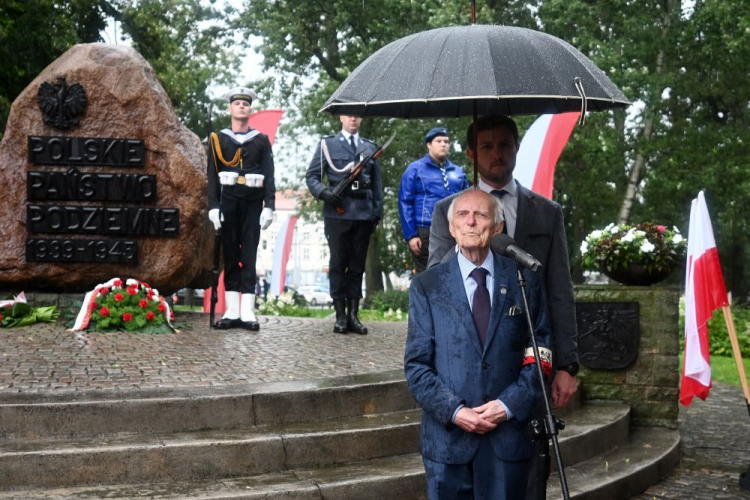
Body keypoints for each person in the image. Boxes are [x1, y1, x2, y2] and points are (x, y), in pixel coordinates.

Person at [427, 115, 579, 499]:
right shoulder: (449, 211)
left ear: (515, 147)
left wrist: (567, 364)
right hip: (463, 370)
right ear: (472, 153)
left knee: (528, 480)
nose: (498, 154)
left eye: (505, 145)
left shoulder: (546, 211)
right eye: (488, 146)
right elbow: (436, 290)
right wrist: (471, 240)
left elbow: (560, 289)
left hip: (527, 368)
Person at [405, 189, 552, 499]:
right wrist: (456, 411)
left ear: (497, 227)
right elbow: (417, 366)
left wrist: (507, 405)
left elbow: (540, 352)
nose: (471, 222)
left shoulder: (523, 278)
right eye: (463, 215)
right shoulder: (427, 286)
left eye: (481, 215)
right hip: (449, 443)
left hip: (508, 439)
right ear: (451, 227)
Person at [306, 115, 382, 335]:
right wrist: (325, 194)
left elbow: (377, 184)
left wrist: (376, 213)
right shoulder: (327, 145)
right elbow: (312, 177)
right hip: (337, 215)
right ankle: (340, 316)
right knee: (338, 264)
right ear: (341, 117)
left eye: (358, 115)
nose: (354, 119)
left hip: (363, 215)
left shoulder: (369, 147)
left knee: (357, 266)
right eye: (349, 115)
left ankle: (353, 316)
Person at [207, 87, 275, 331]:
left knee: (249, 254)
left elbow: (269, 173)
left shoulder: (260, 140)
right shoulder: (219, 139)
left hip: (253, 202)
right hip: (229, 201)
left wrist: (270, 206)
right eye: (237, 103)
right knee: (231, 254)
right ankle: (232, 309)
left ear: (250, 108)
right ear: (230, 108)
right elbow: (212, 176)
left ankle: (247, 310)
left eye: (245, 103)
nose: (242, 106)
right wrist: (213, 206)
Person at [398, 127, 469, 274]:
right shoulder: (415, 169)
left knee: (456, 270)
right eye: (438, 141)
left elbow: (468, 200)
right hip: (425, 229)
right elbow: (405, 201)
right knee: (428, 274)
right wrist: (411, 235)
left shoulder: (458, 172)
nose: (443, 144)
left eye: (446, 141)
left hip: (455, 228)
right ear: (429, 144)